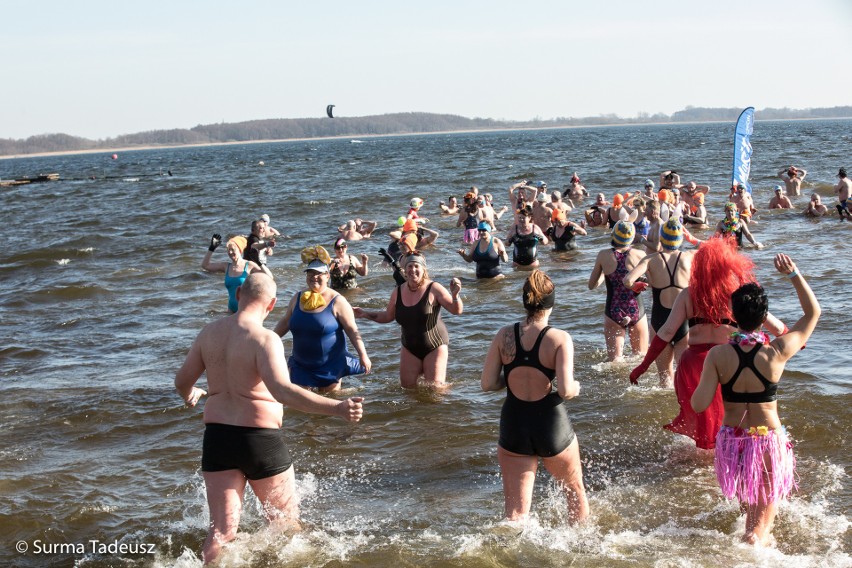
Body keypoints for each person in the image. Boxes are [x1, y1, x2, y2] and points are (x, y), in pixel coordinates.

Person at [174, 273, 364, 564]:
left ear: (238, 296)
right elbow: (283, 391)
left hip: (217, 439)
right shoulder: (265, 338)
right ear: (273, 304)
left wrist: (191, 392)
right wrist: (336, 408)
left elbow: (181, 381)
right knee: (285, 526)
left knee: (221, 532)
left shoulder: (208, 332)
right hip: (259, 440)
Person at [692, 253, 819, 545]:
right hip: (766, 440)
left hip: (731, 441)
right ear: (765, 318)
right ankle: (755, 545)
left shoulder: (718, 355)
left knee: (748, 506)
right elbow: (813, 314)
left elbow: (699, 404)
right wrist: (793, 274)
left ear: (734, 316)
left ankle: (749, 540)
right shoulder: (776, 352)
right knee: (763, 514)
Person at [629, 238, 787, 449]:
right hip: (729, 360)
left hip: (694, 362)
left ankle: (703, 459)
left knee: (704, 420)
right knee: (730, 414)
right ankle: (727, 456)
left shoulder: (689, 294)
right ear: (728, 265)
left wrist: (643, 366)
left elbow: (666, 331)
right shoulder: (737, 294)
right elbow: (776, 328)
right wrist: (796, 341)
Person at [480, 270, 589, 523]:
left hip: (515, 422)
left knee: (516, 514)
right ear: (551, 302)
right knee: (574, 493)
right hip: (550, 424)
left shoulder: (504, 335)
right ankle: (582, 550)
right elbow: (564, 390)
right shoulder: (559, 338)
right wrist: (576, 387)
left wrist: (514, 377)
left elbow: (487, 383)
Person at [354, 252, 463, 388]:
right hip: (409, 347)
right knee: (407, 389)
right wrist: (365, 313)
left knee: (436, 390)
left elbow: (456, 310)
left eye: (416, 266)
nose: (413, 270)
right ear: (404, 270)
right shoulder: (397, 292)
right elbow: (388, 316)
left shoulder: (434, 288)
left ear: (423, 269)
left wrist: (455, 295)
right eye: (409, 266)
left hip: (434, 345)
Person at [273, 247, 371, 392]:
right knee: (301, 406)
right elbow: (286, 321)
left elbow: (352, 330)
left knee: (330, 407)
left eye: (318, 273)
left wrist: (363, 355)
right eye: (310, 273)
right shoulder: (297, 298)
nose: (314, 277)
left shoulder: (338, 301)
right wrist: (268, 339)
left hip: (330, 365)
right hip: (301, 365)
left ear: (327, 276)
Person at [623, 220, 693, 387]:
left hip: (660, 321)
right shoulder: (689, 257)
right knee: (687, 377)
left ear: (662, 238)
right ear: (680, 239)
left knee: (664, 380)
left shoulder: (650, 259)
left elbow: (627, 280)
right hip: (684, 322)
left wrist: (636, 286)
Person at [588, 220, 649, 361]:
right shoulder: (639, 254)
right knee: (641, 359)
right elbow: (653, 282)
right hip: (636, 309)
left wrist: (605, 273)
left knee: (615, 362)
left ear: (613, 235)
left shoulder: (603, 255)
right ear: (632, 237)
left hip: (613, 310)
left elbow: (592, 285)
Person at [201, 234, 270, 313]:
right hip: (231, 309)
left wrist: (258, 262)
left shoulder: (249, 265)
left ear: (240, 250)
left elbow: (269, 277)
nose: (230, 252)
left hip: (246, 309)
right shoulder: (226, 266)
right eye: (228, 250)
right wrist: (211, 248)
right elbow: (205, 266)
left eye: (233, 249)